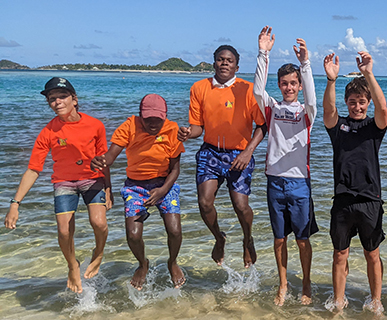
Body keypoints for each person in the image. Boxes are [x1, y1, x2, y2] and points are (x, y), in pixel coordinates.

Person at [4, 77, 111, 294]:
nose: (57, 102)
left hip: (92, 179)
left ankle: (98, 252)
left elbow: (104, 161)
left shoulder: (95, 125)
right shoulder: (48, 132)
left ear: (75, 99)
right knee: (63, 231)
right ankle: (73, 265)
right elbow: (34, 168)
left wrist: (108, 190)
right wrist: (15, 203)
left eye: (62, 96)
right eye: (52, 99)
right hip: (64, 182)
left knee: (98, 223)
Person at [178, 45, 267, 268]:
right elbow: (198, 127)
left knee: (240, 205)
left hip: (240, 153)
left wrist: (248, 152)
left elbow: (262, 126)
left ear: (237, 66)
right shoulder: (199, 88)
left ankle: (248, 240)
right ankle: (219, 237)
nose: (224, 63)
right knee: (204, 202)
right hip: (210, 151)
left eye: (229, 60)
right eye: (220, 59)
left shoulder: (248, 89)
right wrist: (188, 133)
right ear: (214, 63)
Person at [91, 94, 185, 290]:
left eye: (157, 119)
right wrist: (101, 161)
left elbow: (175, 169)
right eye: (147, 118)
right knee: (133, 235)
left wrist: (162, 191)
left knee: (174, 230)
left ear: (164, 116)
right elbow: (110, 156)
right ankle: (143, 264)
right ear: (140, 115)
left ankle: (172, 262)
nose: (152, 123)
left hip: (164, 184)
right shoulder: (129, 127)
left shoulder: (172, 129)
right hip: (135, 186)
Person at [254, 26, 318, 306]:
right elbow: (258, 89)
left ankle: (305, 281)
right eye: (284, 83)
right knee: (279, 240)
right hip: (274, 183)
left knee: (302, 240)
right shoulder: (271, 108)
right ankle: (283, 284)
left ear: (299, 85)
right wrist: (262, 53)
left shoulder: (306, 112)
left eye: (293, 83)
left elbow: (314, 99)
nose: (289, 87)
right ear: (279, 85)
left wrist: (306, 63)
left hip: (299, 183)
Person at [323, 51, 387, 314]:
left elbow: (383, 109)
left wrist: (368, 74)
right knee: (340, 254)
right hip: (343, 200)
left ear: (367, 102)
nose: (357, 107)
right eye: (352, 102)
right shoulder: (338, 127)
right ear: (346, 102)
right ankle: (339, 302)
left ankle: (376, 301)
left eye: (362, 102)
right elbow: (329, 111)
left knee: (372, 254)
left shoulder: (374, 127)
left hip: (370, 200)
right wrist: (331, 81)